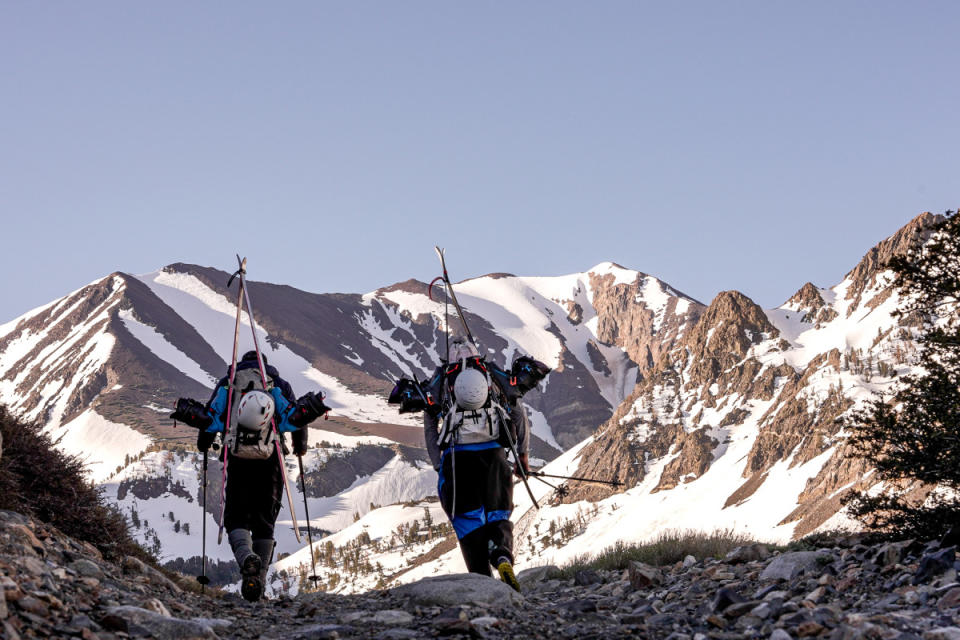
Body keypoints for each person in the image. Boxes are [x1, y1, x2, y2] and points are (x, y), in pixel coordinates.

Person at [172, 350, 329, 602]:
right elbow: (294, 418)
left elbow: (212, 419)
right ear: (266, 365)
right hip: (271, 460)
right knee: (264, 521)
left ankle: (247, 559)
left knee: (236, 517)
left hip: (237, 458)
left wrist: (203, 443)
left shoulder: (228, 383)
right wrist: (300, 447)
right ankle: (258, 582)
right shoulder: (277, 384)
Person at [400, 337, 547, 592]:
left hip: (457, 460)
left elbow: (430, 427)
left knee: (468, 520)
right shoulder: (491, 375)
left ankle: (483, 580)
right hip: (495, 456)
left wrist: (438, 464)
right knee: (498, 514)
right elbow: (518, 413)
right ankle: (501, 555)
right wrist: (522, 456)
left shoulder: (442, 379)